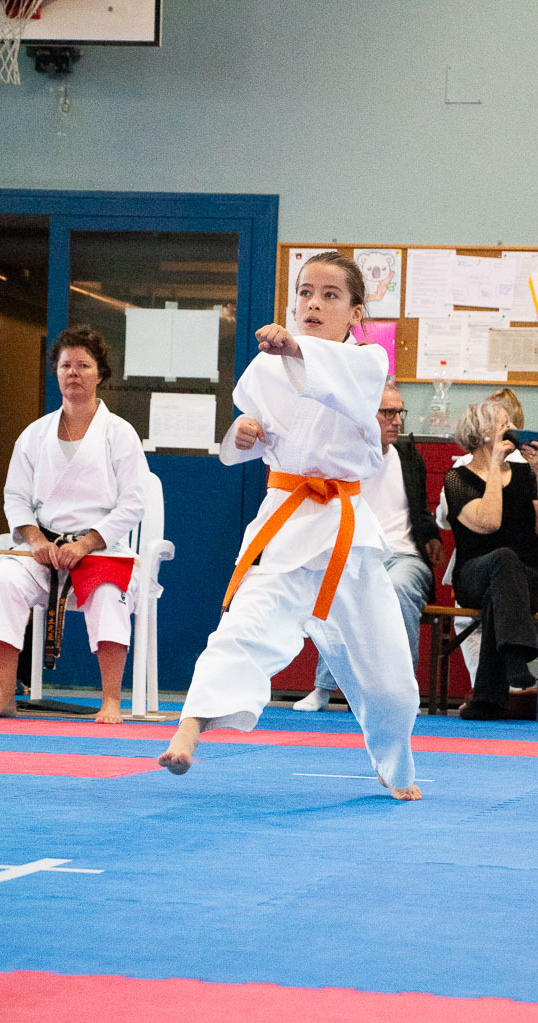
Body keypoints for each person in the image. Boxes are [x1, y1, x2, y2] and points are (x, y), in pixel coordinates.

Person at [158, 251, 422, 801]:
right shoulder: (265, 368)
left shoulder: (369, 360)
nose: (313, 304)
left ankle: (396, 767)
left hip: (346, 535)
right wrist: (245, 432)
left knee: (389, 678)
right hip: (285, 523)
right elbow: (251, 432)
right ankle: (190, 727)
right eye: (305, 293)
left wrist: (296, 348)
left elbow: (341, 382)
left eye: (330, 295)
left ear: (356, 312)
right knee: (244, 625)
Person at [0, 325, 149, 724]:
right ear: (56, 372)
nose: (73, 373)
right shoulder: (34, 434)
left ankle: (110, 700)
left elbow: (133, 502)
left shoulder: (119, 434)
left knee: (109, 592)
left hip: (100, 549)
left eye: (83, 365)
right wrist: (36, 540)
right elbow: (16, 497)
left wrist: (85, 544)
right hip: (44, 552)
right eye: (65, 365)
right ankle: (5, 695)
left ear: (100, 374)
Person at [293, 380, 443, 711]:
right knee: (341, 590)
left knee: (396, 589)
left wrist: (432, 536)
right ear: (364, 414)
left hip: (404, 555)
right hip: (358, 553)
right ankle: (323, 687)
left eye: (400, 413)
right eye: (387, 413)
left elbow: (419, 510)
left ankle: (400, 693)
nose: (397, 421)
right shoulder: (344, 458)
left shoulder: (409, 458)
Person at [443, 399, 538, 720]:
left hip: (529, 579)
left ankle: (486, 700)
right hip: (475, 576)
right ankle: (516, 656)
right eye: (504, 424)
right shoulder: (457, 479)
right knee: (504, 560)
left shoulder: (525, 474)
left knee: (501, 593)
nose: (513, 430)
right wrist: (494, 465)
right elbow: (489, 522)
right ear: (482, 434)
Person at [436, 388, 526, 685]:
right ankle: (499, 688)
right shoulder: (463, 470)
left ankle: (485, 690)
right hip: (493, 564)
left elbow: (444, 519)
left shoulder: (517, 468)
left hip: (499, 565)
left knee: (476, 616)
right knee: (485, 609)